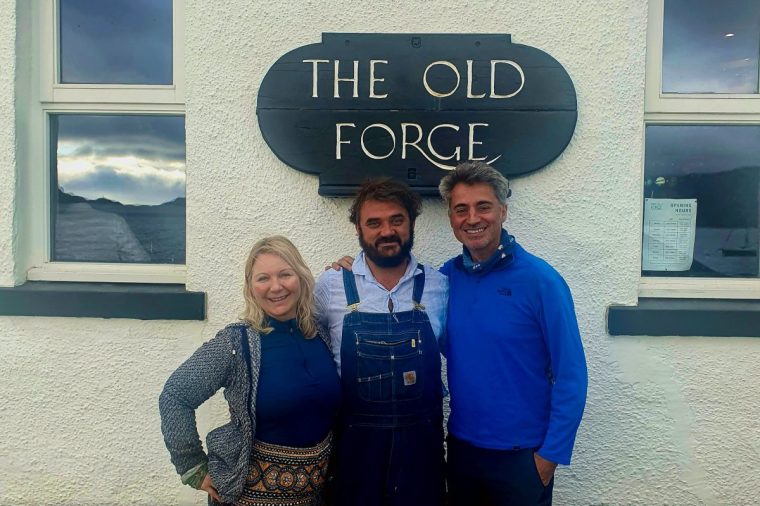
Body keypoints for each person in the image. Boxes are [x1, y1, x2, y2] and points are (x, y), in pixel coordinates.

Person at [439, 161, 587, 506]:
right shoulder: (445, 279)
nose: (472, 218)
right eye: (461, 209)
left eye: (483, 206)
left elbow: (571, 375)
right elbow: (399, 294)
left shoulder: (541, 281)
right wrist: (352, 271)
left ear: (503, 211)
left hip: (522, 459)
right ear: (451, 219)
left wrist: (549, 458)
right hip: (462, 452)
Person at [159, 235, 341, 506]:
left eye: (285, 274)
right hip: (248, 497)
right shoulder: (235, 343)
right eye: (263, 278)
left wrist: (350, 269)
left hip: (312, 497)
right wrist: (193, 468)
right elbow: (175, 395)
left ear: (301, 277)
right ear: (250, 286)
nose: (276, 287)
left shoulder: (321, 334)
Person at [314, 178, 448, 506]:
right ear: (358, 229)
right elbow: (308, 351)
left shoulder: (440, 286)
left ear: (411, 222)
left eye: (396, 220)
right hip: (354, 452)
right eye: (374, 223)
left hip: (422, 451)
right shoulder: (331, 285)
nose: (386, 231)